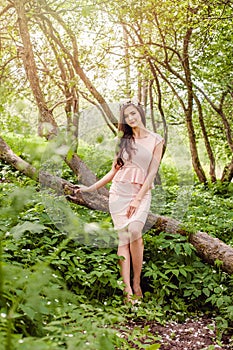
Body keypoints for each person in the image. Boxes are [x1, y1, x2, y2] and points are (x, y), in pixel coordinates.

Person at [75, 101, 164, 303]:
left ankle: (136, 282)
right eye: (127, 116)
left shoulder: (156, 140)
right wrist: (90, 188)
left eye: (133, 114)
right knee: (123, 239)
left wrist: (139, 198)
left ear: (140, 113)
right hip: (119, 192)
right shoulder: (123, 140)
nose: (131, 118)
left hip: (140, 192)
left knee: (135, 232)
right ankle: (127, 291)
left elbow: (152, 172)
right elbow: (114, 170)